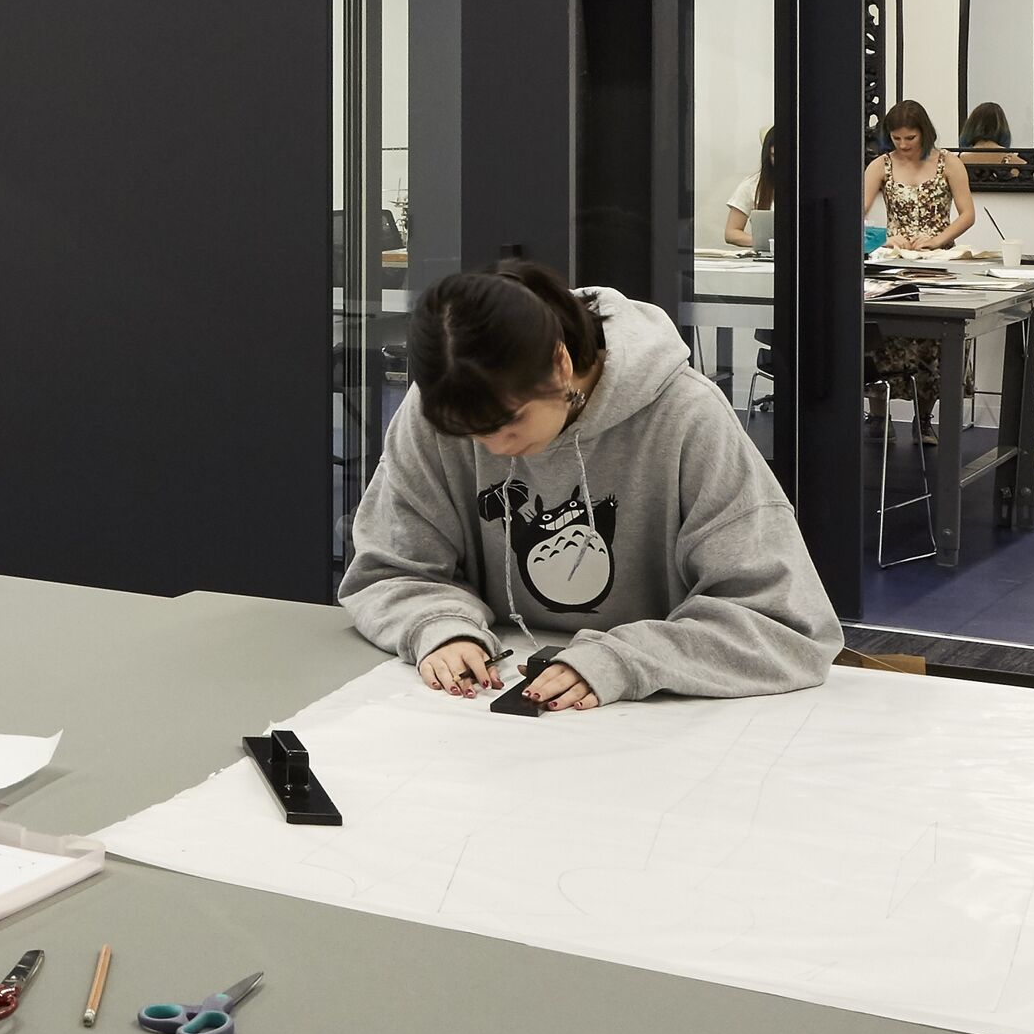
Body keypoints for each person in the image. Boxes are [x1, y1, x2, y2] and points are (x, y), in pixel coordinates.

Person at [340, 259, 838, 710]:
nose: (491, 447)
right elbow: (389, 569)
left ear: (560, 364)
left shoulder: (687, 417)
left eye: (507, 422)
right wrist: (438, 628)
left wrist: (625, 660)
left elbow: (786, 625)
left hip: (662, 724)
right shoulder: (442, 410)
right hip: (482, 724)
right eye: (468, 433)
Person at [862, 97, 975, 255]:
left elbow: (968, 214)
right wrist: (882, 240)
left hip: (940, 255)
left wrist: (937, 241)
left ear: (924, 133)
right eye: (896, 138)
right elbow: (856, 214)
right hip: (895, 255)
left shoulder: (950, 163)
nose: (903, 145)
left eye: (910, 138)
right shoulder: (880, 165)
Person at [720, 127, 777, 253]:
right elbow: (731, 232)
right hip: (767, 259)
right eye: (774, 156)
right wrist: (763, 243)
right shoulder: (752, 185)